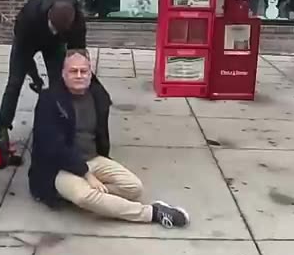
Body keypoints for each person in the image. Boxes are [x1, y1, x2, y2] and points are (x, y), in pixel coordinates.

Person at [28, 50, 190, 228]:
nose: (79, 76)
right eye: (73, 71)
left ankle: (85, 197)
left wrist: (92, 171)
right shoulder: (50, 100)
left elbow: (100, 135)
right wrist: (86, 175)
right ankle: (154, 213)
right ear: (63, 73)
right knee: (83, 196)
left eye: (84, 71)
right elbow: (54, 147)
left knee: (134, 188)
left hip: (93, 159)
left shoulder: (97, 96)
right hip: (58, 168)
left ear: (91, 73)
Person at [0, 0, 88, 143]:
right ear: (48, 16)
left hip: (54, 46)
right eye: (53, 28)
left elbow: (78, 54)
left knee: (59, 82)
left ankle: (61, 121)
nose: (54, 31)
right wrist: (36, 78)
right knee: (15, 82)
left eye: (60, 30)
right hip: (27, 42)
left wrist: (80, 76)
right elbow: (25, 57)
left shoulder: (76, 20)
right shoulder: (28, 16)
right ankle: (2, 127)